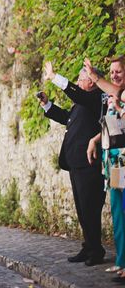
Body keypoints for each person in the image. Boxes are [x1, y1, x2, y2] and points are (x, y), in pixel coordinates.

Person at [41, 61, 105, 266]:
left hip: (89, 163)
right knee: (82, 209)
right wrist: (47, 105)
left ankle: (96, 251)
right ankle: (89, 247)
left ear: (93, 83)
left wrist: (54, 76)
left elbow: (76, 94)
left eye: (81, 79)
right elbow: (67, 118)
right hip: (76, 162)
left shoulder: (95, 99)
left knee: (90, 208)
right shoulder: (82, 102)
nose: (78, 82)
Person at [84, 56, 125, 281]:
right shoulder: (116, 97)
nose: (114, 75)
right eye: (111, 72)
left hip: (124, 161)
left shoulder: (122, 96)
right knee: (118, 212)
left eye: (118, 71)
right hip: (115, 163)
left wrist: (94, 76)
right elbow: (113, 127)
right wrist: (95, 140)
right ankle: (121, 261)